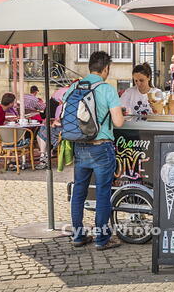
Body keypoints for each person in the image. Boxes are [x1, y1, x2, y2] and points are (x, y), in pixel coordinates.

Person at [66, 51, 124, 250]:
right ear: (106, 68)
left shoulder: (74, 87)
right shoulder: (107, 89)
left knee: (79, 192)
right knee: (102, 193)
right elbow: (118, 121)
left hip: (79, 146)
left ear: (89, 66)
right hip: (101, 147)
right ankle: (101, 239)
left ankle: (78, 236)